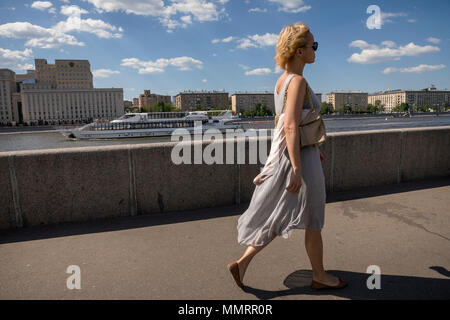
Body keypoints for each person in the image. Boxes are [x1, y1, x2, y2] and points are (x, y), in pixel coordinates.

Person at [227, 22, 347, 290]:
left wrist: (312, 149)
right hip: (299, 161)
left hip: (300, 155)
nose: (316, 50)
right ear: (299, 51)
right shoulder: (298, 81)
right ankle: (320, 276)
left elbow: (283, 124)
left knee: (279, 214)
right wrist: (296, 167)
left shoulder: (281, 81)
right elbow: (290, 125)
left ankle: (242, 263)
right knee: (314, 219)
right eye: (312, 45)